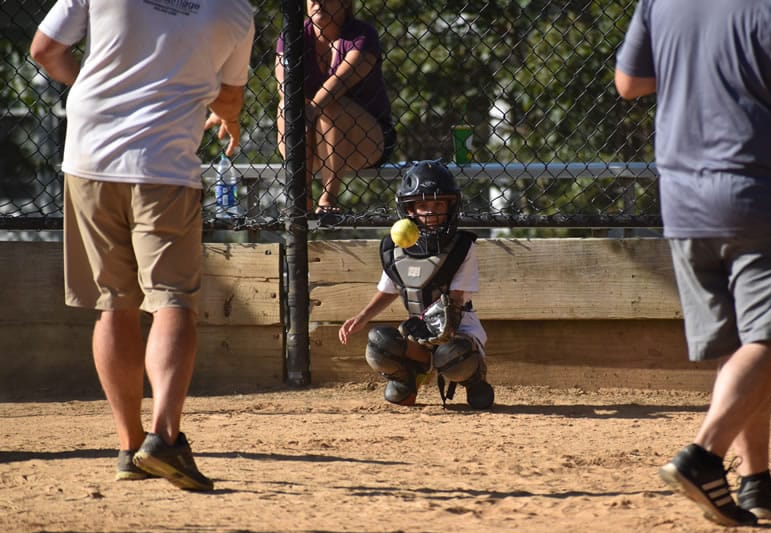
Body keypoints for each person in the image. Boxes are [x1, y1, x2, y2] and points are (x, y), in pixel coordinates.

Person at [614, 0, 771, 526]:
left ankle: (755, 484)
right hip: (768, 198)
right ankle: (704, 454)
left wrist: (700, 64)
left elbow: (628, 83)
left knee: (744, 345)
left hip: (683, 200)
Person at [30, 0, 254, 491]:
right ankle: (164, 438)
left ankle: (130, 448)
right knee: (173, 301)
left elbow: (45, 50)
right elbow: (230, 97)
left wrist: (97, 87)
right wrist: (229, 119)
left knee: (114, 304)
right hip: (164, 166)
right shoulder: (235, 8)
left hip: (90, 158)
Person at [338, 160, 494, 409]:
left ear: (450, 206)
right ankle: (409, 378)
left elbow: (455, 298)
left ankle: (475, 379)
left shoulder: (462, 246)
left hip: (458, 330)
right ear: (410, 210)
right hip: (418, 331)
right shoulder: (394, 248)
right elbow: (389, 289)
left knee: (451, 355)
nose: (431, 212)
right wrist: (362, 317)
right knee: (379, 343)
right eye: (423, 205)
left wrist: (439, 331)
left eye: (438, 204)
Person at [276, 0, 396, 215]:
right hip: (309, 139)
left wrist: (311, 110)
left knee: (331, 105)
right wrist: (302, 112)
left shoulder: (362, 34)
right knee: (287, 105)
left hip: (364, 140)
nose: (318, 2)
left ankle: (328, 197)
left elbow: (341, 81)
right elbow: (283, 85)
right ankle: (301, 198)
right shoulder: (293, 35)